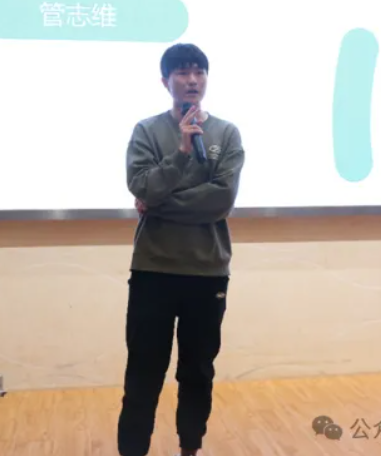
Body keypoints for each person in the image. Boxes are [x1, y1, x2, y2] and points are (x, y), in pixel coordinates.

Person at [117, 43, 245, 456]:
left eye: (199, 72)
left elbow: (220, 200)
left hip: (207, 273)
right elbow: (141, 185)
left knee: (198, 373)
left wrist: (158, 204)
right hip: (154, 271)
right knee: (143, 372)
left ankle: (190, 448)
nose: (192, 80)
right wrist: (181, 154)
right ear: (165, 81)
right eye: (183, 73)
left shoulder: (227, 134)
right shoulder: (147, 131)